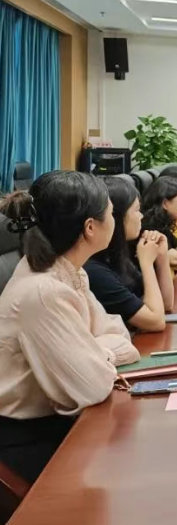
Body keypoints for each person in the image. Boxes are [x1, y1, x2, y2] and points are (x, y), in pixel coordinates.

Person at [0, 172, 139, 483]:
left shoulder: (70, 273)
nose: (114, 220)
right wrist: (98, 355)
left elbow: (120, 335)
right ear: (90, 227)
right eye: (110, 213)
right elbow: (92, 386)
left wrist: (91, 352)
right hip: (27, 440)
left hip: (59, 423)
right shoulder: (43, 291)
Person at [84, 177, 174, 332]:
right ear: (116, 217)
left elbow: (166, 304)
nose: (141, 216)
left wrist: (162, 257)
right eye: (137, 210)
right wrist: (147, 264)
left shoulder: (115, 254)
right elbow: (156, 321)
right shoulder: (94, 270)